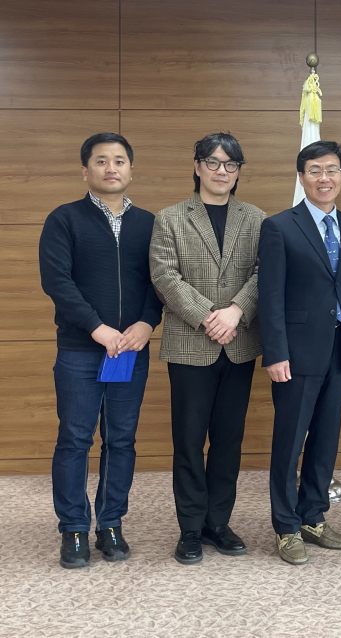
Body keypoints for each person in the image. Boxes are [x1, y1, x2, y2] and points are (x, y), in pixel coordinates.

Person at [39, 132, 163, 568]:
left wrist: (148, 323)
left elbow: (159, 283)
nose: (112, 168)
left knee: (121, 439)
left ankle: (111, 523)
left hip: (131, 349)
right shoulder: (64, 219)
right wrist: (98, 329)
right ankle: (73, 529)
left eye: (120, 160)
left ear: (131, 169)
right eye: (101, 161)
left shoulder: (150, 223)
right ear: (85, 170)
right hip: (80, 349)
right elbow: (58, 282)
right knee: (74, 439)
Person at [150, 132, 265, 564]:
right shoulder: (171, 218)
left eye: (231, 165)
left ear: (238, 172)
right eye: (213, 163)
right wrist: (207, 315)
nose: (222, 171)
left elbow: (264, 271)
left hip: (238, 344)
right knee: (188, 441)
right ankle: (191, 528)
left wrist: (236, 311)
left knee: (229, 442)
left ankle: (219, 522)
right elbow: (165, 277)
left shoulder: (255, 218)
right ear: (197, 165)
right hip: (190, 346)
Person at [258, 140, 341, 565]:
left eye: (332, 170)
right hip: (296, 352)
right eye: (315, 171)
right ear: (302, 177)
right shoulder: (279, 227)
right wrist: (275, 352)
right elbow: (269, 296)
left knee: (325, 439)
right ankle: (285, 526)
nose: (324, 179)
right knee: (289, 443)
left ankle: (313, 516)